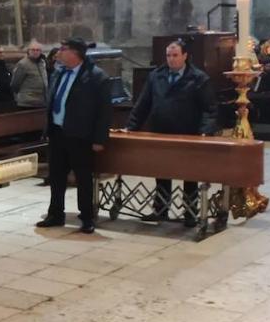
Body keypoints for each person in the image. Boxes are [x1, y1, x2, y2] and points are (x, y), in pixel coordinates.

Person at [126, 40, 218, 226]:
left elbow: (210, 109)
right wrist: (131, 128)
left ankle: (190, 213)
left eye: (175, 55)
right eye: (168, 55)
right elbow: (143, 104)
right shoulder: (156, 76)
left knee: (189, 175)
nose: (171, 59)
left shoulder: (198, 78)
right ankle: (160, 210)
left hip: (187, 133)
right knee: (161, 172)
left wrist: (205, 132)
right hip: (161, 132)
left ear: (185, 56)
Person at [36, 38, 113, 234]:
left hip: (81, 135)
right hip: (58, 132)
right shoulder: (59, 73)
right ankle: (55, 214)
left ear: (75, 53)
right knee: (56, 176)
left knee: (83, 178)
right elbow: (53, 101)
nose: (59, 53)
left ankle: (87, 217)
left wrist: (99, 139)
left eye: (63, 49)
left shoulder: (96, 77)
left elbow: (104, 111)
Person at [11, 41, 49, 109]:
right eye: (33, 50)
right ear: (28, 51)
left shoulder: (42, 63)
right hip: (27, 103)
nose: (35, 52)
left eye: (38, 50)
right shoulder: (23, 64)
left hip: (42, 101)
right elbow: (15, 83)